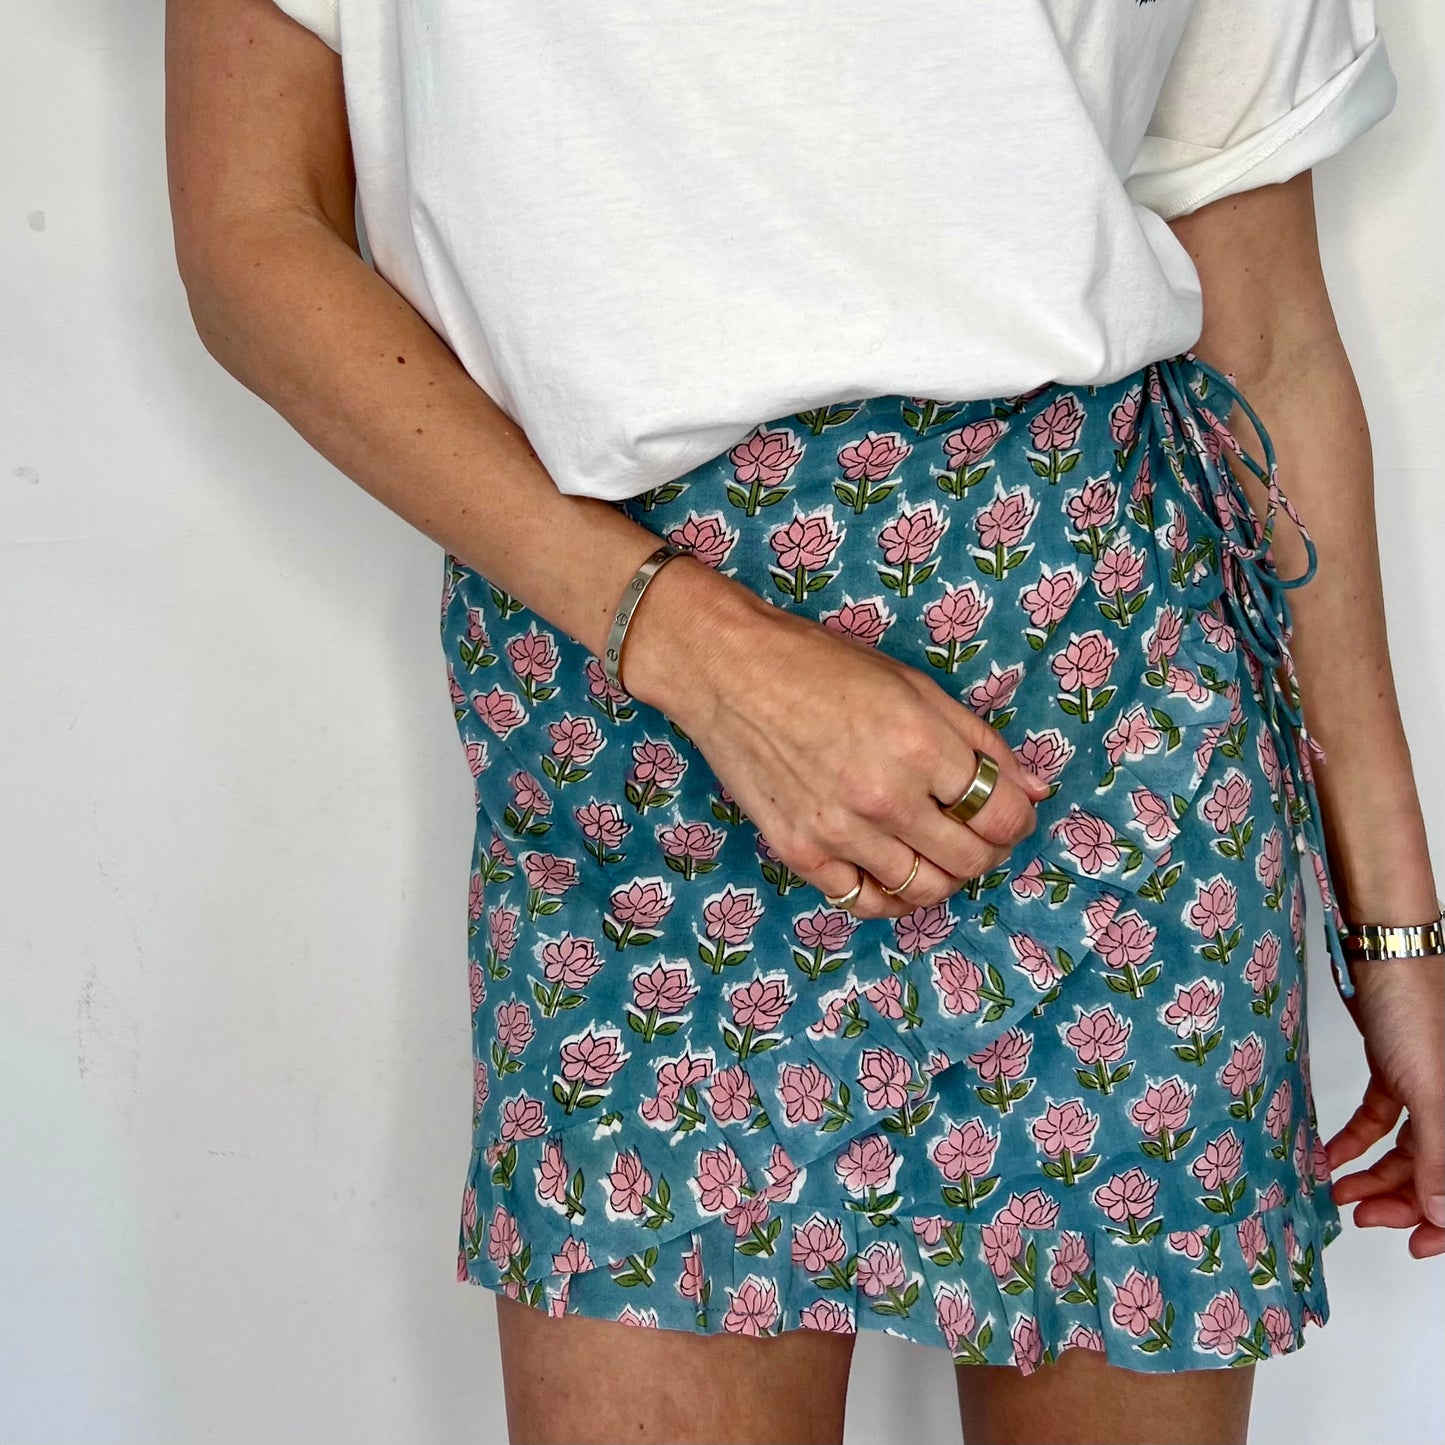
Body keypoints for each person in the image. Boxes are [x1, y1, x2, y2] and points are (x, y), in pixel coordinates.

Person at [164, 2, 1442, 1442]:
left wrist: (1398, 933)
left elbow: (1265, 341)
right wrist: (698, 653)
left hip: (1112, 743)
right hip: (637, 765)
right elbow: (252, 232)